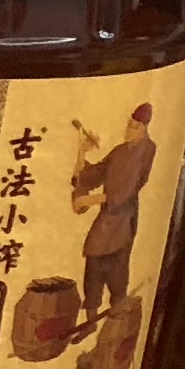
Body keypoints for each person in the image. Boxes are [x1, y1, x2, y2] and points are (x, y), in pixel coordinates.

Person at [71, 99, 157, 333]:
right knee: (93, 265)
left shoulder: (147, 151)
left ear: (144, 129)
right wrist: (82, 151)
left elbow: (126, 191)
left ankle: (116, 326)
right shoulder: (119, 151)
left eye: (135, 127)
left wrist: (89, 200)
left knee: (116, 270)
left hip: (123, 219)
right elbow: (91, 176)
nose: (129, 130)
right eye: (129, 125)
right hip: (106, 218)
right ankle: (90, 323)